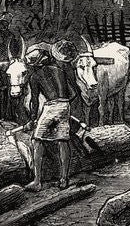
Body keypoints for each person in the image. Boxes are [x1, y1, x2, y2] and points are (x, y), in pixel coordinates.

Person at [21, 42, 83, 192]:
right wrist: (64, 108)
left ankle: (37, 181)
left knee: (37, 141)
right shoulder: (59, 70)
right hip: (65, 106)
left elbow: (34, 101)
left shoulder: (35, 76)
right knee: (62, 141)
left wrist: (33, 119)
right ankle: (64, 179)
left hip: (51, 107)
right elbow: (74, 93)